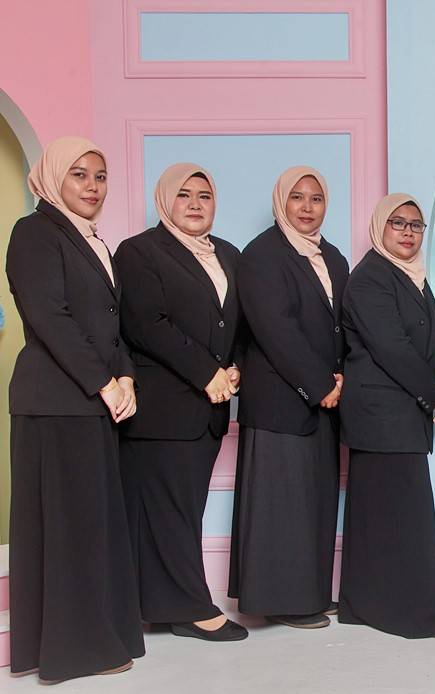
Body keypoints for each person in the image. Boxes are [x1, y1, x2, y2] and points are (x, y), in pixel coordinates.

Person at [6, 136, 144, 682]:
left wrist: (125, 375)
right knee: (68, 530)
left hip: (89, 403)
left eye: (100, 176)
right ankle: (74, 651)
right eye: (79, 175)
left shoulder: (91, 240)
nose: (92, 187)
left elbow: (110, 324)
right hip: (56, 404)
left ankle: (84, 639)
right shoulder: (35, 232)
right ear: (53, 178)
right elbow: (49, 317)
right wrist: (103, 382)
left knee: (88, 526)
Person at [115, 163, 247, 642]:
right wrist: (206, 372)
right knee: (166, 511)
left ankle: (161, 606)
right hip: (163, 407)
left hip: (210, 407)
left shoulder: (228, 254)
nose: (195, 204)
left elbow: (239, 325)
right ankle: (191, 607)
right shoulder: (139, 251)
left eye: (204, 196)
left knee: (182, 510)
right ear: (164, 200)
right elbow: (146, 324)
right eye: (184, 195)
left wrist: (236, 366)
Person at [338, 193, 435, 640]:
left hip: (398, 414)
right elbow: (391, 347)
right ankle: (419, 613)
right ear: (381, 227)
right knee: (403, 516)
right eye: (398, 223)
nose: (408, 232)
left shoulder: (413, 277)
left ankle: (362, 605)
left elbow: (432, 340)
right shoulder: (370, 277)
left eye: (416, 225)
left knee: (381, 514)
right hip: (381, 416)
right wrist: (433, 393)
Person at [228, 167, 348, 628]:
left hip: (325, 401)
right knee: (281, 505)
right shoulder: (261, 255)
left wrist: (342, 381)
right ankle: (282, 602)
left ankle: (310, 593)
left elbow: (342, 328)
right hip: (280, 402)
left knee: (314, 502)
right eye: (297, 197)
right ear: (282, 201)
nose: (307, 207)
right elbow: (276, 331)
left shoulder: (333, 257)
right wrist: (320, 386)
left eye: (316, 198)